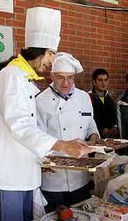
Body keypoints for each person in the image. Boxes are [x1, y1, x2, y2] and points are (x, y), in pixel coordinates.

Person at [0, 7, 91, 221]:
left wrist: (42, 158)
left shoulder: (24, 79)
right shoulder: (12, 76)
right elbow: (19, 125)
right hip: (8, 175)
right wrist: (61, 145)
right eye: (52, 55)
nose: (51, 62)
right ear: (42, 51)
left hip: (22, 172)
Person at [36, 53, 99, 212]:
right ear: (52, 76)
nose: (66, 83)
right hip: (53, 180)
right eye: (60, 78)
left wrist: (94, 136)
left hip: (81, 177)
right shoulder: (40, 101)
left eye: (70, 78)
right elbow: (38, 139)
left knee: (82, 219)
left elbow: (90, 123)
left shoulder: (84, 97)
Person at [89, 68, 118, 138]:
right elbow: (88, 119)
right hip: (95, 137)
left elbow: (113, 117)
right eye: (100, 80)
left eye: (105, 80)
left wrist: (114, 127)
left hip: (110, 138)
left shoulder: (109, 99)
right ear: (94, 82)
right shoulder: (88, 97)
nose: (103, 83)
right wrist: (101, 129)